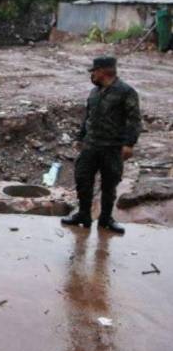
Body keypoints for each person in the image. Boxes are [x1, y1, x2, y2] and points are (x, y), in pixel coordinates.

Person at [61, 56, 141, 235]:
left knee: (109, 184)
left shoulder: (125, 91)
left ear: (104, 71)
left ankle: (106, 219)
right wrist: (80, 137)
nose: (92, 75)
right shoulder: (94, 92)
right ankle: (83, 215)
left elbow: (134, 120)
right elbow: (88, 118)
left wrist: (129, 144)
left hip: (112, 147)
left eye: (95, 71)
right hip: (91, 146)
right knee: (82, 180)